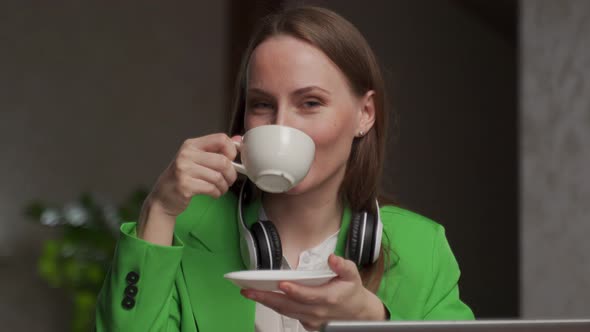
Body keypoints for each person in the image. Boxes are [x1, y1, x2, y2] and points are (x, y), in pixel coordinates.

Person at [95, 5, 474, 332]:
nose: (282, 126)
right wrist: (158, 210)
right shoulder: (183, 231)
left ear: (365, 114)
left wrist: (373, 320)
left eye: (310, 103)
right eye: (262, 104)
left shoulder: (422, 248)